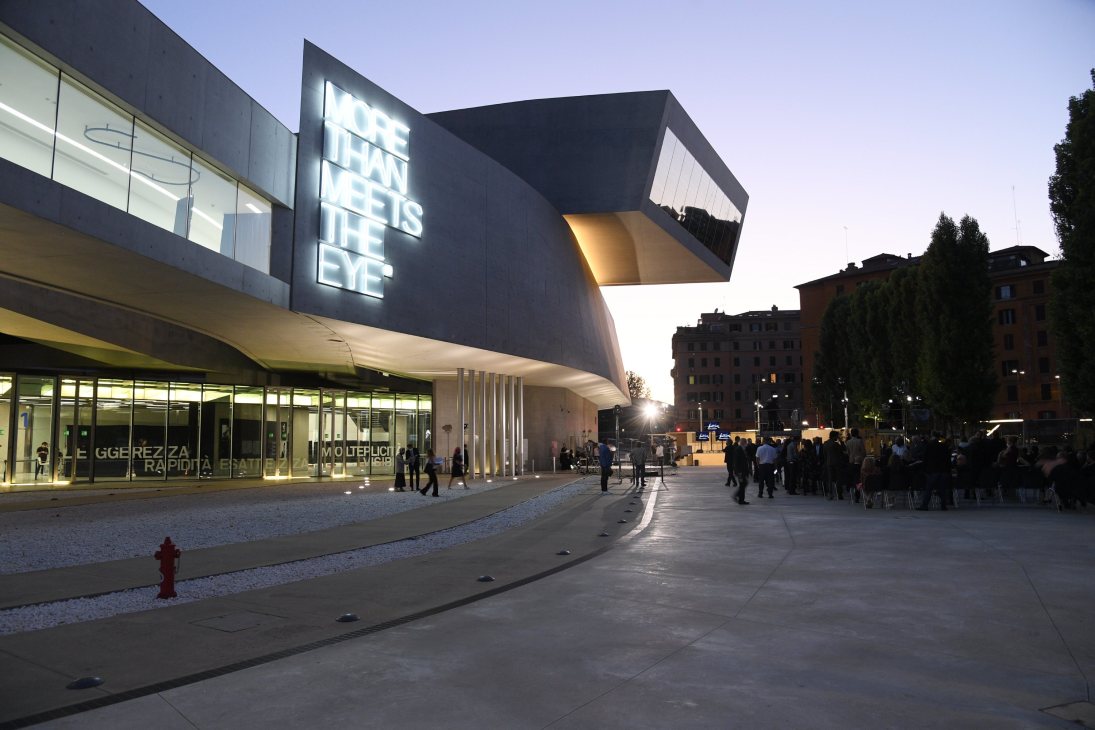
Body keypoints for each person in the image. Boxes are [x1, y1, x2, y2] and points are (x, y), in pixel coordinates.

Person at [916, 432, 950, 511]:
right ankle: (943, 505)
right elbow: (947, 458)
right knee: (942, 488)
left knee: (929, 489)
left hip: (933, 470)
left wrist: (924, 469)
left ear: (932, 437)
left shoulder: (929, 445)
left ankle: (925, 505)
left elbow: (925, 458)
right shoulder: (944, 446)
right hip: (943, 470)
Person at [846, 428, 866, 502]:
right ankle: (857, 495)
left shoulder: (848, 442)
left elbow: (848, 452)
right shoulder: (859, 441)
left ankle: (852, 491)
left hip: (851, 462)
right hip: (859, 462)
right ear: (857, 434)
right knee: (858, 478)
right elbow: (863, 452)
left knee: (852, 477)